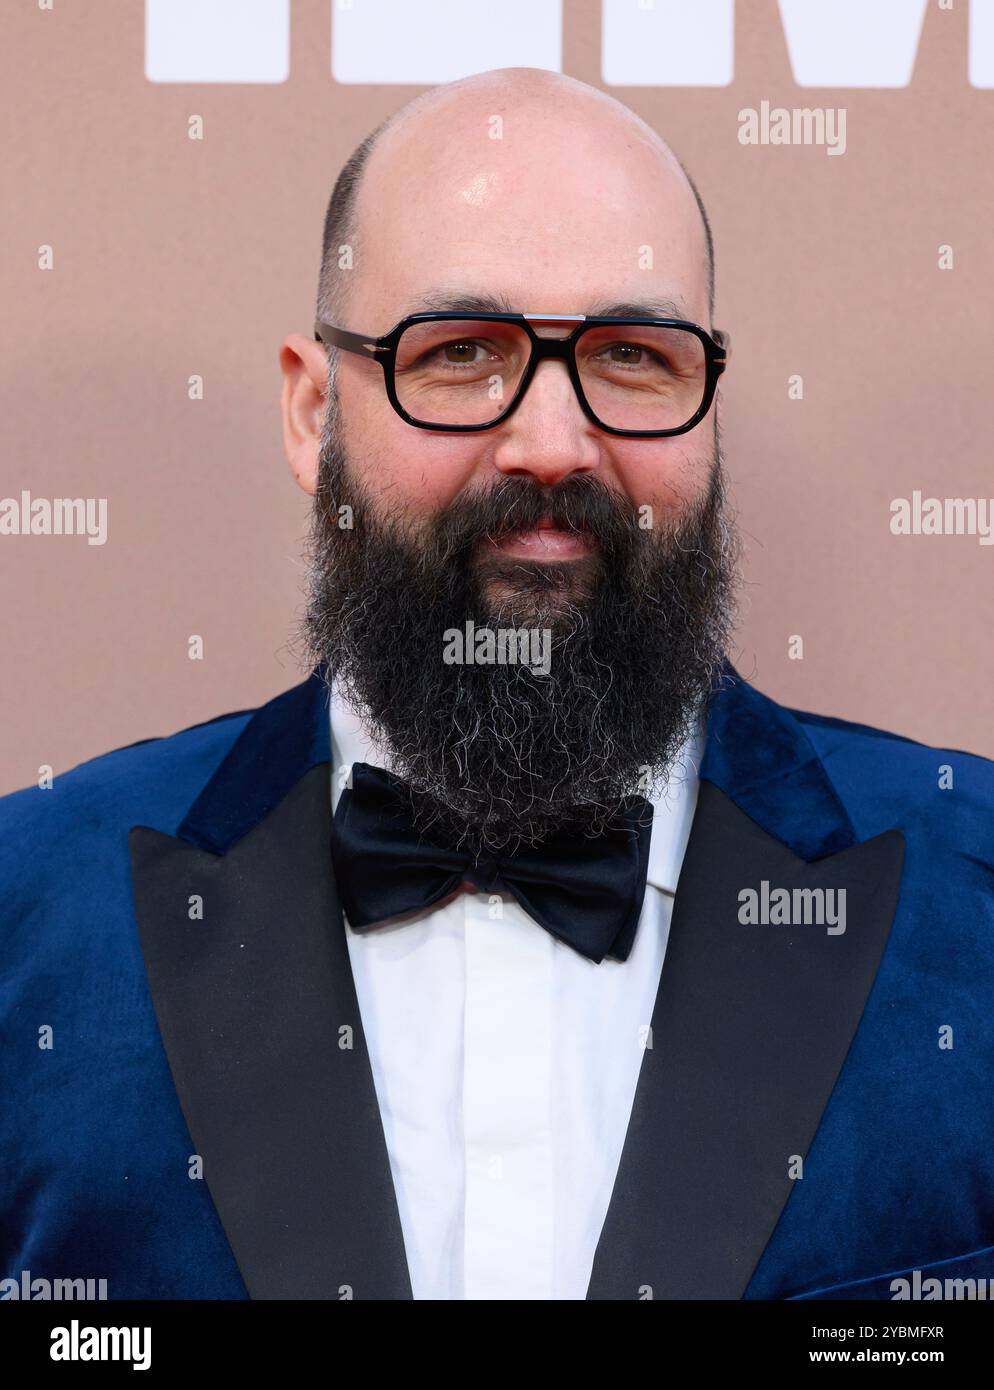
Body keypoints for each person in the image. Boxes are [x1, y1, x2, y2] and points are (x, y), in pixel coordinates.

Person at [2, 67, 993, 1303]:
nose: (550, 442)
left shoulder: (976, 904)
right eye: (462, 353)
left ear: (710, 411)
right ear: (314, 415)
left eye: (632, 357)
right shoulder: (24, 920)